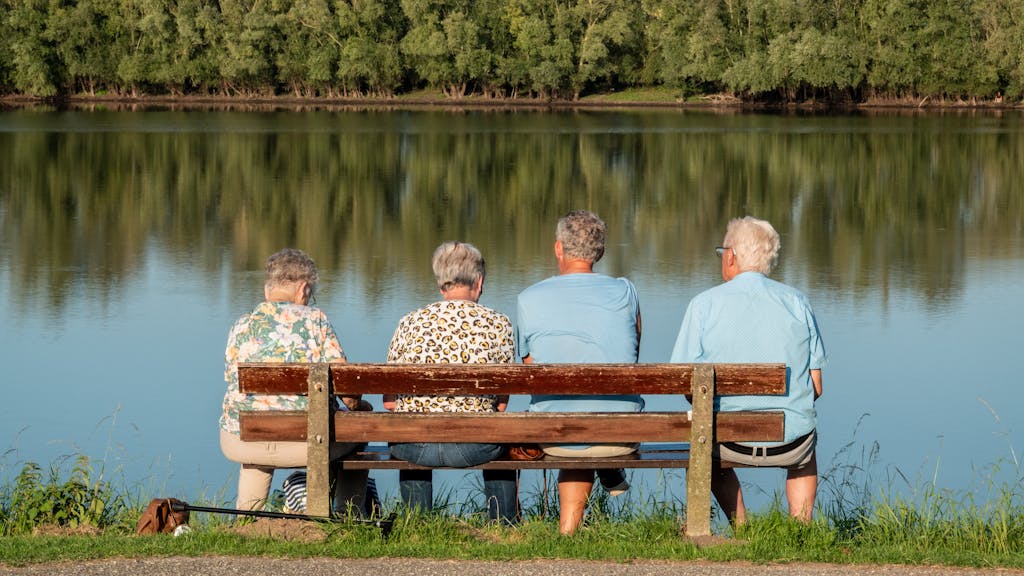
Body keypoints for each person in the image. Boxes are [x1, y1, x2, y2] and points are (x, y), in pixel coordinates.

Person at [670, 216, 827, 524]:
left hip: (729, 443)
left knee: (703, 448)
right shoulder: (797, 302)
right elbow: (816, 388)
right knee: (804, 458)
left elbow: (682, 384)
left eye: (722, 252)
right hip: (791, 442)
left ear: (731, 255)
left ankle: (741, 527)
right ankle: (800, 528)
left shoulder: (704, 305)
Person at [516, 210, 643, 535]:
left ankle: (567, 532)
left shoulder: (529, 298)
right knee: (589, 413)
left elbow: (530, 369)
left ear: (559, 249)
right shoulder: (626, 292)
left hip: (556, 434)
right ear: (599, 252)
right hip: (619, 433)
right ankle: (604, 480)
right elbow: (632, 353)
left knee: (569, 419)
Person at [220, 248, 368, 512]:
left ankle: (246, 518)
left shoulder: (241, 325)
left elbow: (232, 380)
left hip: (243, 439)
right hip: (307, 443)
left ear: (268, 291)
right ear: (303, 290)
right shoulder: (315, 321)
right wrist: (355, 407)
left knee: (260, 422)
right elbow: (346, 387)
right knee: (360, 423)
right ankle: (350, 515)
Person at [383, 241, 518, 524]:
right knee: (500, 432)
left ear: (440, 283)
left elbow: (390, 401)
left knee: (411, 425)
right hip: (475, 445)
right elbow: (502, 404)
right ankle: (503, 525)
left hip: (415, 446)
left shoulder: (410, 322)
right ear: (478, 281)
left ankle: (416, 524)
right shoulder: (498, 323)